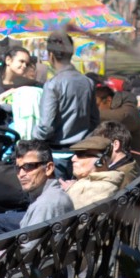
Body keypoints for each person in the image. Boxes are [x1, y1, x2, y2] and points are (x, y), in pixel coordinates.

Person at [32, 31, 98, 175]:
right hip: (82, 153)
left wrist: (32, 135)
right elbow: (94, 121)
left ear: (50, 55)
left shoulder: (52, 85)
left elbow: (46, 127)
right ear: (72, 53)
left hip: (57, 155)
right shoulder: (88, 82)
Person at [0, 139, 75, 236]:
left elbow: (30, 248)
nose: (21, 174)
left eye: (28, 166)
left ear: (48, 168)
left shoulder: (44, 205)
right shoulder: (54, 195)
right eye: (18, 168)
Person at [0, 46, 40, 127]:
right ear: (8, 60)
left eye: (26, 64)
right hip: (1, 135)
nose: (24, 66)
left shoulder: (30, 85)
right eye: (21, 61)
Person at [65, 135, 124, 209]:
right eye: (75, 154)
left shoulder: (103, 188)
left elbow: (70, 215)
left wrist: (68, 190)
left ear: (101, 161)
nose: (73, 159)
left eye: (81, 155)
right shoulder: (91, 182)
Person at [90, 120, 140, 187]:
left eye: (100, 144)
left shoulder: (121, 176)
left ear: (116, 145)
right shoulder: (128, 166)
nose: (96, 149)